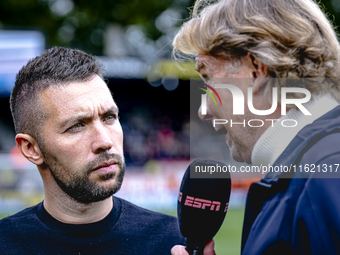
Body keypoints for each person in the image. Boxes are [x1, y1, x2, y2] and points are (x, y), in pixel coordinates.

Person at [171, 0, 340, 254]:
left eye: (207, 76)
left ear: (256, 70)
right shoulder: (311, 172)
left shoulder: (323, 176)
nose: (203, 110)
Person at [0, 47, 185, 254]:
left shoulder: (173, 242)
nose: (105, 142)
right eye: (77, 125)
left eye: (109, 117)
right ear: (31, 148)